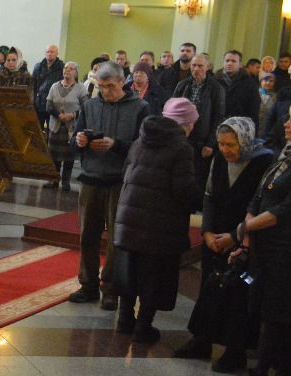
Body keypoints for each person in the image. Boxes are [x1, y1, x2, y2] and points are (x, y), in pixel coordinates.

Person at [174, 116, 273, 371]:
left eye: (231, 144)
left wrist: (234, 236)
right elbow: (209, 197)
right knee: (209, 288)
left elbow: (259, 205)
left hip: (244, 238)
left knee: (238, 296)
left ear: (245, 141)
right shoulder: (219, 159)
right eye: (221, 144)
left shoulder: (263, 162)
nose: (225, 150)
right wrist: (207, 232)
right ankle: (202, 340)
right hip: (215, 237)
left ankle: (235, 350)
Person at [109, 111, 203, 343]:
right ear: (185, 124)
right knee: (153, 276)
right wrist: (202, 201)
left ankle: (124, 322)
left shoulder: (140, 140)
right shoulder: (181, 148)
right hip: (160, 224)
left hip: (129, 218)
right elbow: (183, 190)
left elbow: (125, 173)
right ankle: (143, 328)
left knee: (129, 271)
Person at [69, 61, 149, 309]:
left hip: (119, 181)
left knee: (116, 238)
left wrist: (116, 145)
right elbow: (75, 139)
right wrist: (79, 140)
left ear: (122, 82)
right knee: (87, 236)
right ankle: (88, 285)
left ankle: (111, 288)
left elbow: (144, 146)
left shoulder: (140, 107)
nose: (105, 91)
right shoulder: (90, 105)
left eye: (110, 86)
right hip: (91, 178)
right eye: (101, 86)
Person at [231, 115, 291, 376]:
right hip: (262, 248)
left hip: (284, 251)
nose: (287, 124)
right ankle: (283, 371)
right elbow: (258, 196)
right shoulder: (283, 158)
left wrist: (246, 227)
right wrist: (246, 235)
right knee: (261, 304)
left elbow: (285, 210)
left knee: (274, 313)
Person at [172, 53, 226, 185]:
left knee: (197, 178)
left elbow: (218, 117)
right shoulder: (182, 85)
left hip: (202, 141)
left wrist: (210, 143)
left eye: (200, 66)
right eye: (194, 65)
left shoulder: (216, 87)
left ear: (207, 67)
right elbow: (172, 111)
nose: (196, 69)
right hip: (182, 137)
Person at [43, 61, 82, 190]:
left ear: (76, 72)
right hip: (56, 126)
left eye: (71, 69)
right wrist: (59, 115)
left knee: (69, 157)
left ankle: (66, 182)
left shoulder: (80, 88)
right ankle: (53, 180)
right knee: (54, 155)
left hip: (71, 128)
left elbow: (86, 107)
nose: (67, 70)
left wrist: (72, 115)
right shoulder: (54, 86)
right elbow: (48, 105)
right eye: (65, 68)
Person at [216, 50, 261, 122]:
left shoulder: (249, 83)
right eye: (227, 61)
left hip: (238, 124)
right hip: (216, 123)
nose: (229, 63)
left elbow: (254, 109)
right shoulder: (214, 81)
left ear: (240, 64)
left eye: (233, 61)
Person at [32, 44, 63, 123]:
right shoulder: (38, 66)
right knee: (37, 127)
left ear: (57, 53)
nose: (49, 54)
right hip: (39, 103)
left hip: (54, 105)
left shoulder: (62, 67)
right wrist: (33, 100)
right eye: (47, 52)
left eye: (52, 52)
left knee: (51, 128)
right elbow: (33, 85)